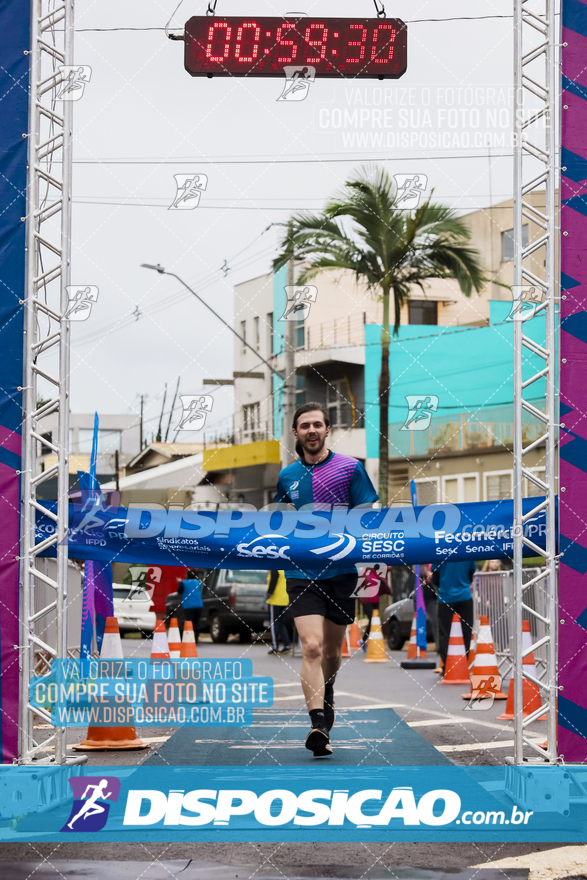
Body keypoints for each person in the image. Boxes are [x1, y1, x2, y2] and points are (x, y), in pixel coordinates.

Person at [275, 402, 378, 758]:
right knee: (312, 647)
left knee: (333, 651)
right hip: (300, 571)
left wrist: (374, 561)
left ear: (327, 429)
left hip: (342, 571)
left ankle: (327, 690)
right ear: (296, 433)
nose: (312, 431)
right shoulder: (287, 476)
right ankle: (318, 722)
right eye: (305, 426)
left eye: (318, 424)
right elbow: (279, 522)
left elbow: (368, 516)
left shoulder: (351, 468)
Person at [432, 559, 476, 670]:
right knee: (466, 631)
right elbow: (471, 573)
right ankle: (463, 663)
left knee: (444, 633)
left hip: (445, 597)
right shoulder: (467, 551)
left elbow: (435, 578)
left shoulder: (439, 551)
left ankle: (447, 664)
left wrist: (445, 584)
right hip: (465, 596)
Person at [357, 564, 389, 652]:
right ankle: (362, 640)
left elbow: (389, 567)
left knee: (376, 622)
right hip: (367, 601)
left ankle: (368, 642)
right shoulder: (363, 571)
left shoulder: (377, 571)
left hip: (376, 601)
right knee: (371, 621)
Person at [266, 570, 292, 655]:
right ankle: (287, 645)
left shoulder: (275, 568)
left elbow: (273, 582)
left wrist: (268, 595)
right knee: (281, 623)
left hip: (275, 600)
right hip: (285, 599)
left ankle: (275, 647)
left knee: (274, 623)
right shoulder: (284, 568)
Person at [177, 569, 204, 642]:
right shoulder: (198, 582)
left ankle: (189, 637)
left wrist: (179, 582)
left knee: (189, 622)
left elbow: (179, 591)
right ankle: (197, 637)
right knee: (197, 621)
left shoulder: (184, 583)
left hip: (188, 605)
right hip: (198, 604)